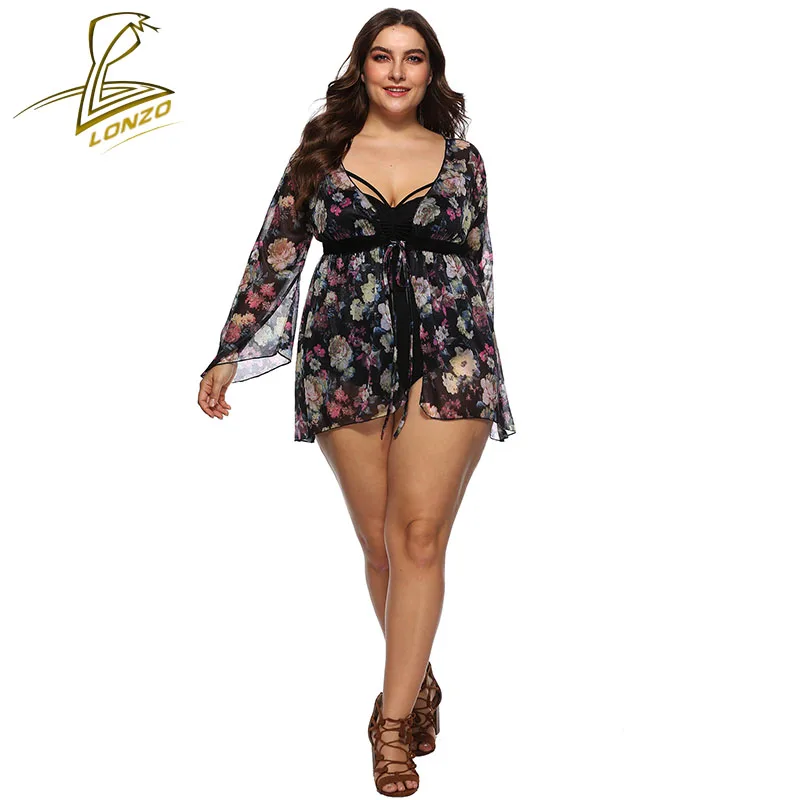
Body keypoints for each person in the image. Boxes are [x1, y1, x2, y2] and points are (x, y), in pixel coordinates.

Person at [197, 9, 516, 796]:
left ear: (433, 71)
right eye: (383, 57)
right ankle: (419, 676)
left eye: (414, 58)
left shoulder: (465, 161)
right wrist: (231, 349)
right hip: (344, 353)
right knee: (380, 547)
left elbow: (479, 263)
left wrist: (484, 358)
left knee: (419, 539)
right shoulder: (322, 153)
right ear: (362, 67)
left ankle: (392, 725)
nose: (398, 72)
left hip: (451, 353)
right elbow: (275, 253)